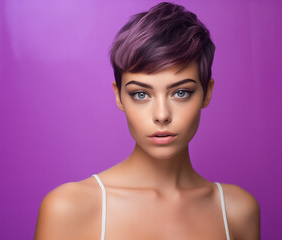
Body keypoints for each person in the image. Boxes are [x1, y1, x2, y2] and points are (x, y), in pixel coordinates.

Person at [34, 2, 260, 240]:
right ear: (119, 96)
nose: (162, 115)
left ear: (207, 92)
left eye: (181, 92)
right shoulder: (69, 208)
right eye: (141, 94)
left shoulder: (237, 211)